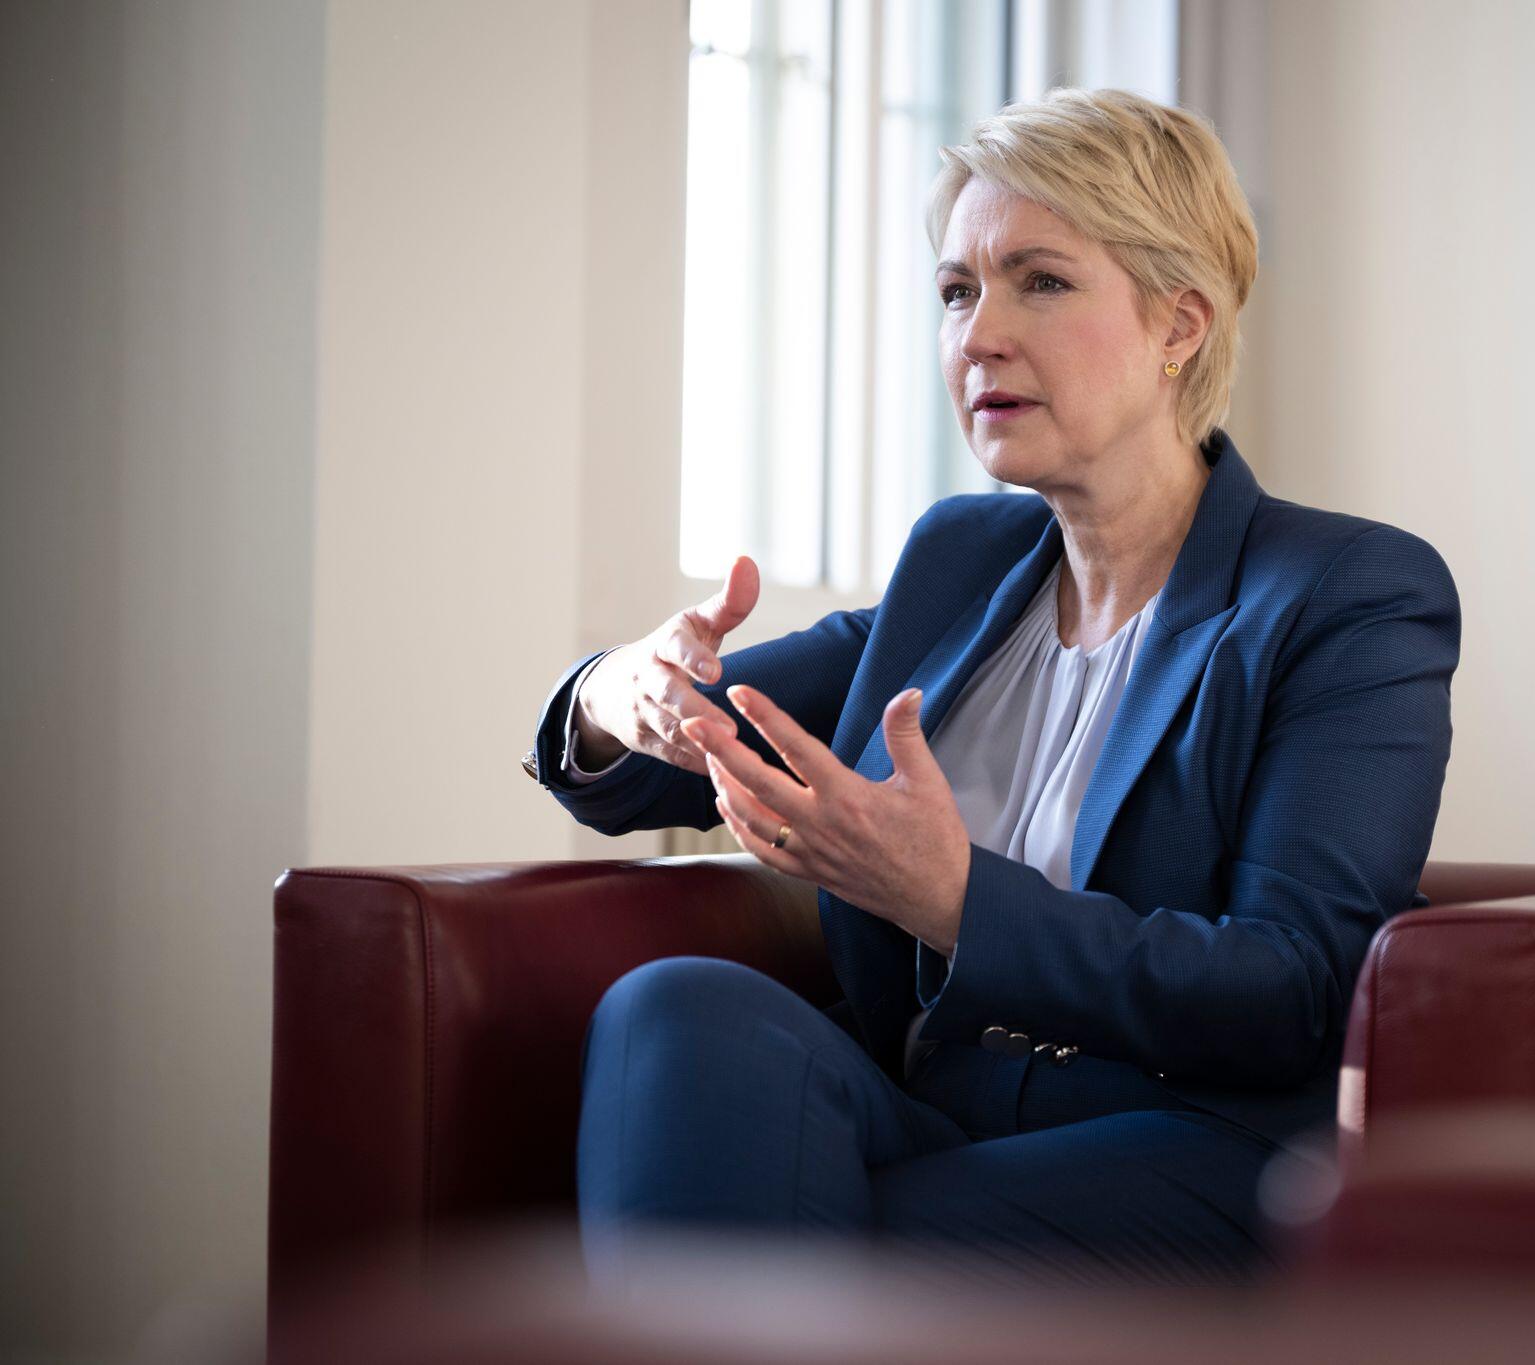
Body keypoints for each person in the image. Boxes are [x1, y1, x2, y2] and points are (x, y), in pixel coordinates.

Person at [526, 86, 1460, 1291]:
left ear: (1179, 323)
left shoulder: (1345, 593)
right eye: (957, 291)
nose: (978, 336)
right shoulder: (959, 562)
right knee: (673, 1009)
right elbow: (679, 744)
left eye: (1041, 282)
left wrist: (955, 899)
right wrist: (622, 691)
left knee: (784, 1230)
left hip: (1186, 1147)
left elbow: (1293, 991)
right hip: (941, 1112)